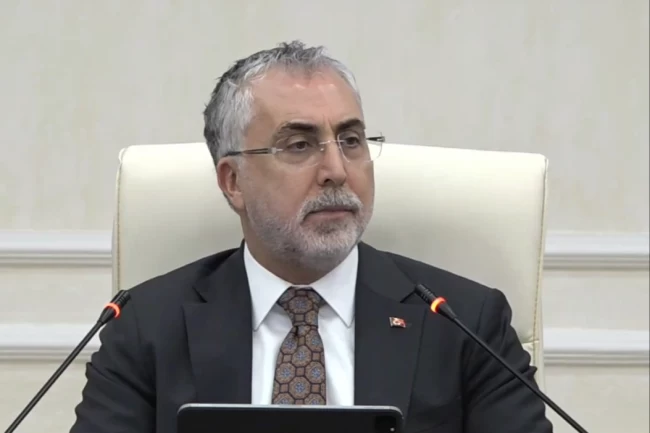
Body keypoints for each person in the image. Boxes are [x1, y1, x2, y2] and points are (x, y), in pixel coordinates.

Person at [70, 41, 553, 433]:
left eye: (351, 140)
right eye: (299, 145)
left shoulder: (465, 323)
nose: (337, 171)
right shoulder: (146, 327)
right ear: (233, 182)